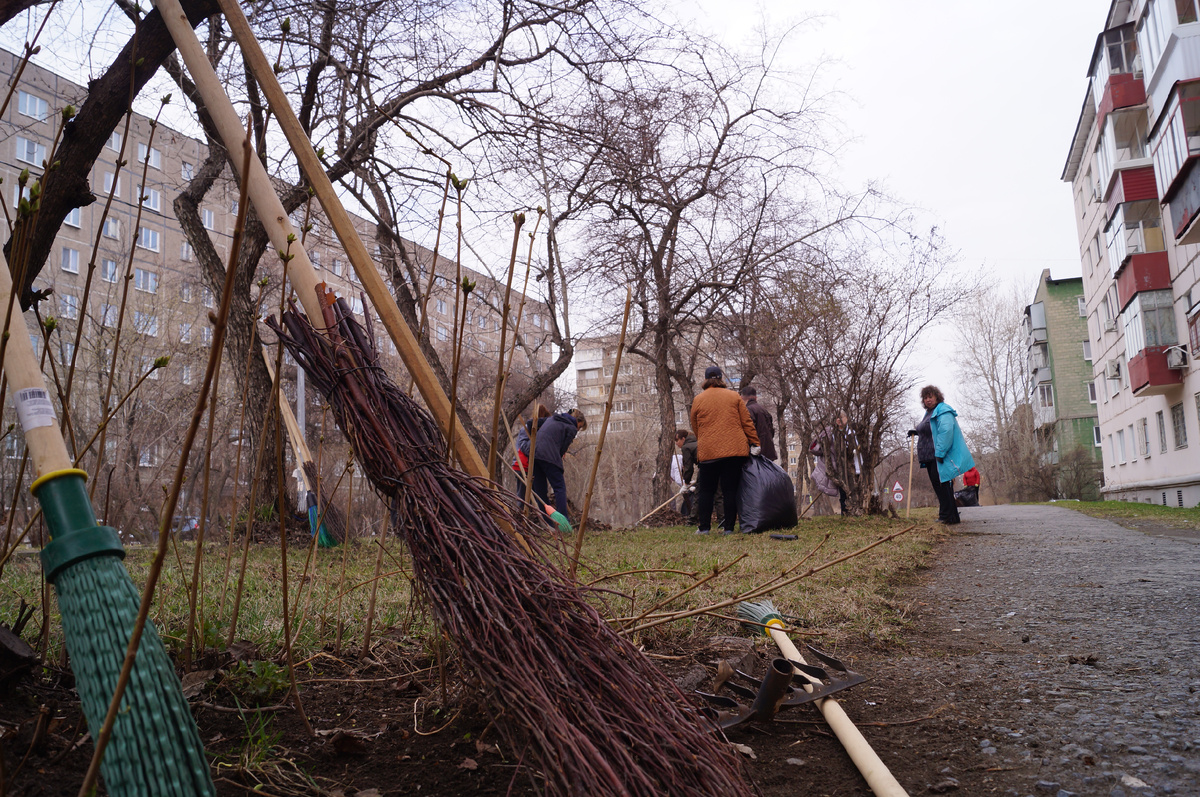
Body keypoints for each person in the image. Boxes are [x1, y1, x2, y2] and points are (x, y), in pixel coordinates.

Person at [689, 366, 760, 534]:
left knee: (707, 491)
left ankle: (704, 528)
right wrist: (755, 443)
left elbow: (695, 425)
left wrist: (705, 439)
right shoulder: (734, 396)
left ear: (706, 379)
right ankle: (729, 528)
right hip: (734, 451)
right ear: (721, 378)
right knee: (730, 490)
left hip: (709, 452)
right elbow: (747, 422)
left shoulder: (698, 399)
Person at [909, 385, 974, 525]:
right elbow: (931, 430)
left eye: (930, 397)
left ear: (937, 397)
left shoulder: (942, 410)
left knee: (943, 486)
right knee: (941, 486)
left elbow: (946, 431)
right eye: (925, 398)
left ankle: (946, 516)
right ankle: (951, 516)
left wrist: (940, 452)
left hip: (939, 456)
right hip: (930, 456)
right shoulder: (929, 413)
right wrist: (916, 432)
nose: (928, 400)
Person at [530, 407, 586, 517]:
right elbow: (562, 450)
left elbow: (530, 423)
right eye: (580, 427)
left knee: (540, 491)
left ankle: (548, 521)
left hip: (534, 454)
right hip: (549, 456)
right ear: (577, 421)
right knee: (559, 488)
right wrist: (558, 455)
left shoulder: (552, 419)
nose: (578, 430)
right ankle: (563, 522)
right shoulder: (571, 427)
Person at [739, 385, 777, 462]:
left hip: (756, 453)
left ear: (742, 398)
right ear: (755, 397)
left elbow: (749, 431)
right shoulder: (763, 410)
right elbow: (771, 431)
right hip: (768, 451)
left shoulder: (747, 410)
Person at [675, 429, 698, 519]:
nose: (676, 443)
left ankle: (693, 519)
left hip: (705, 467)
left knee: (699, 495)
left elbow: (688, 468)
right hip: (712, 465)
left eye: (677, 440)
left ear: (683, 439)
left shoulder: (686, 447)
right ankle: (723, 521)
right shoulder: (697, 442)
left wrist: (686, 484)